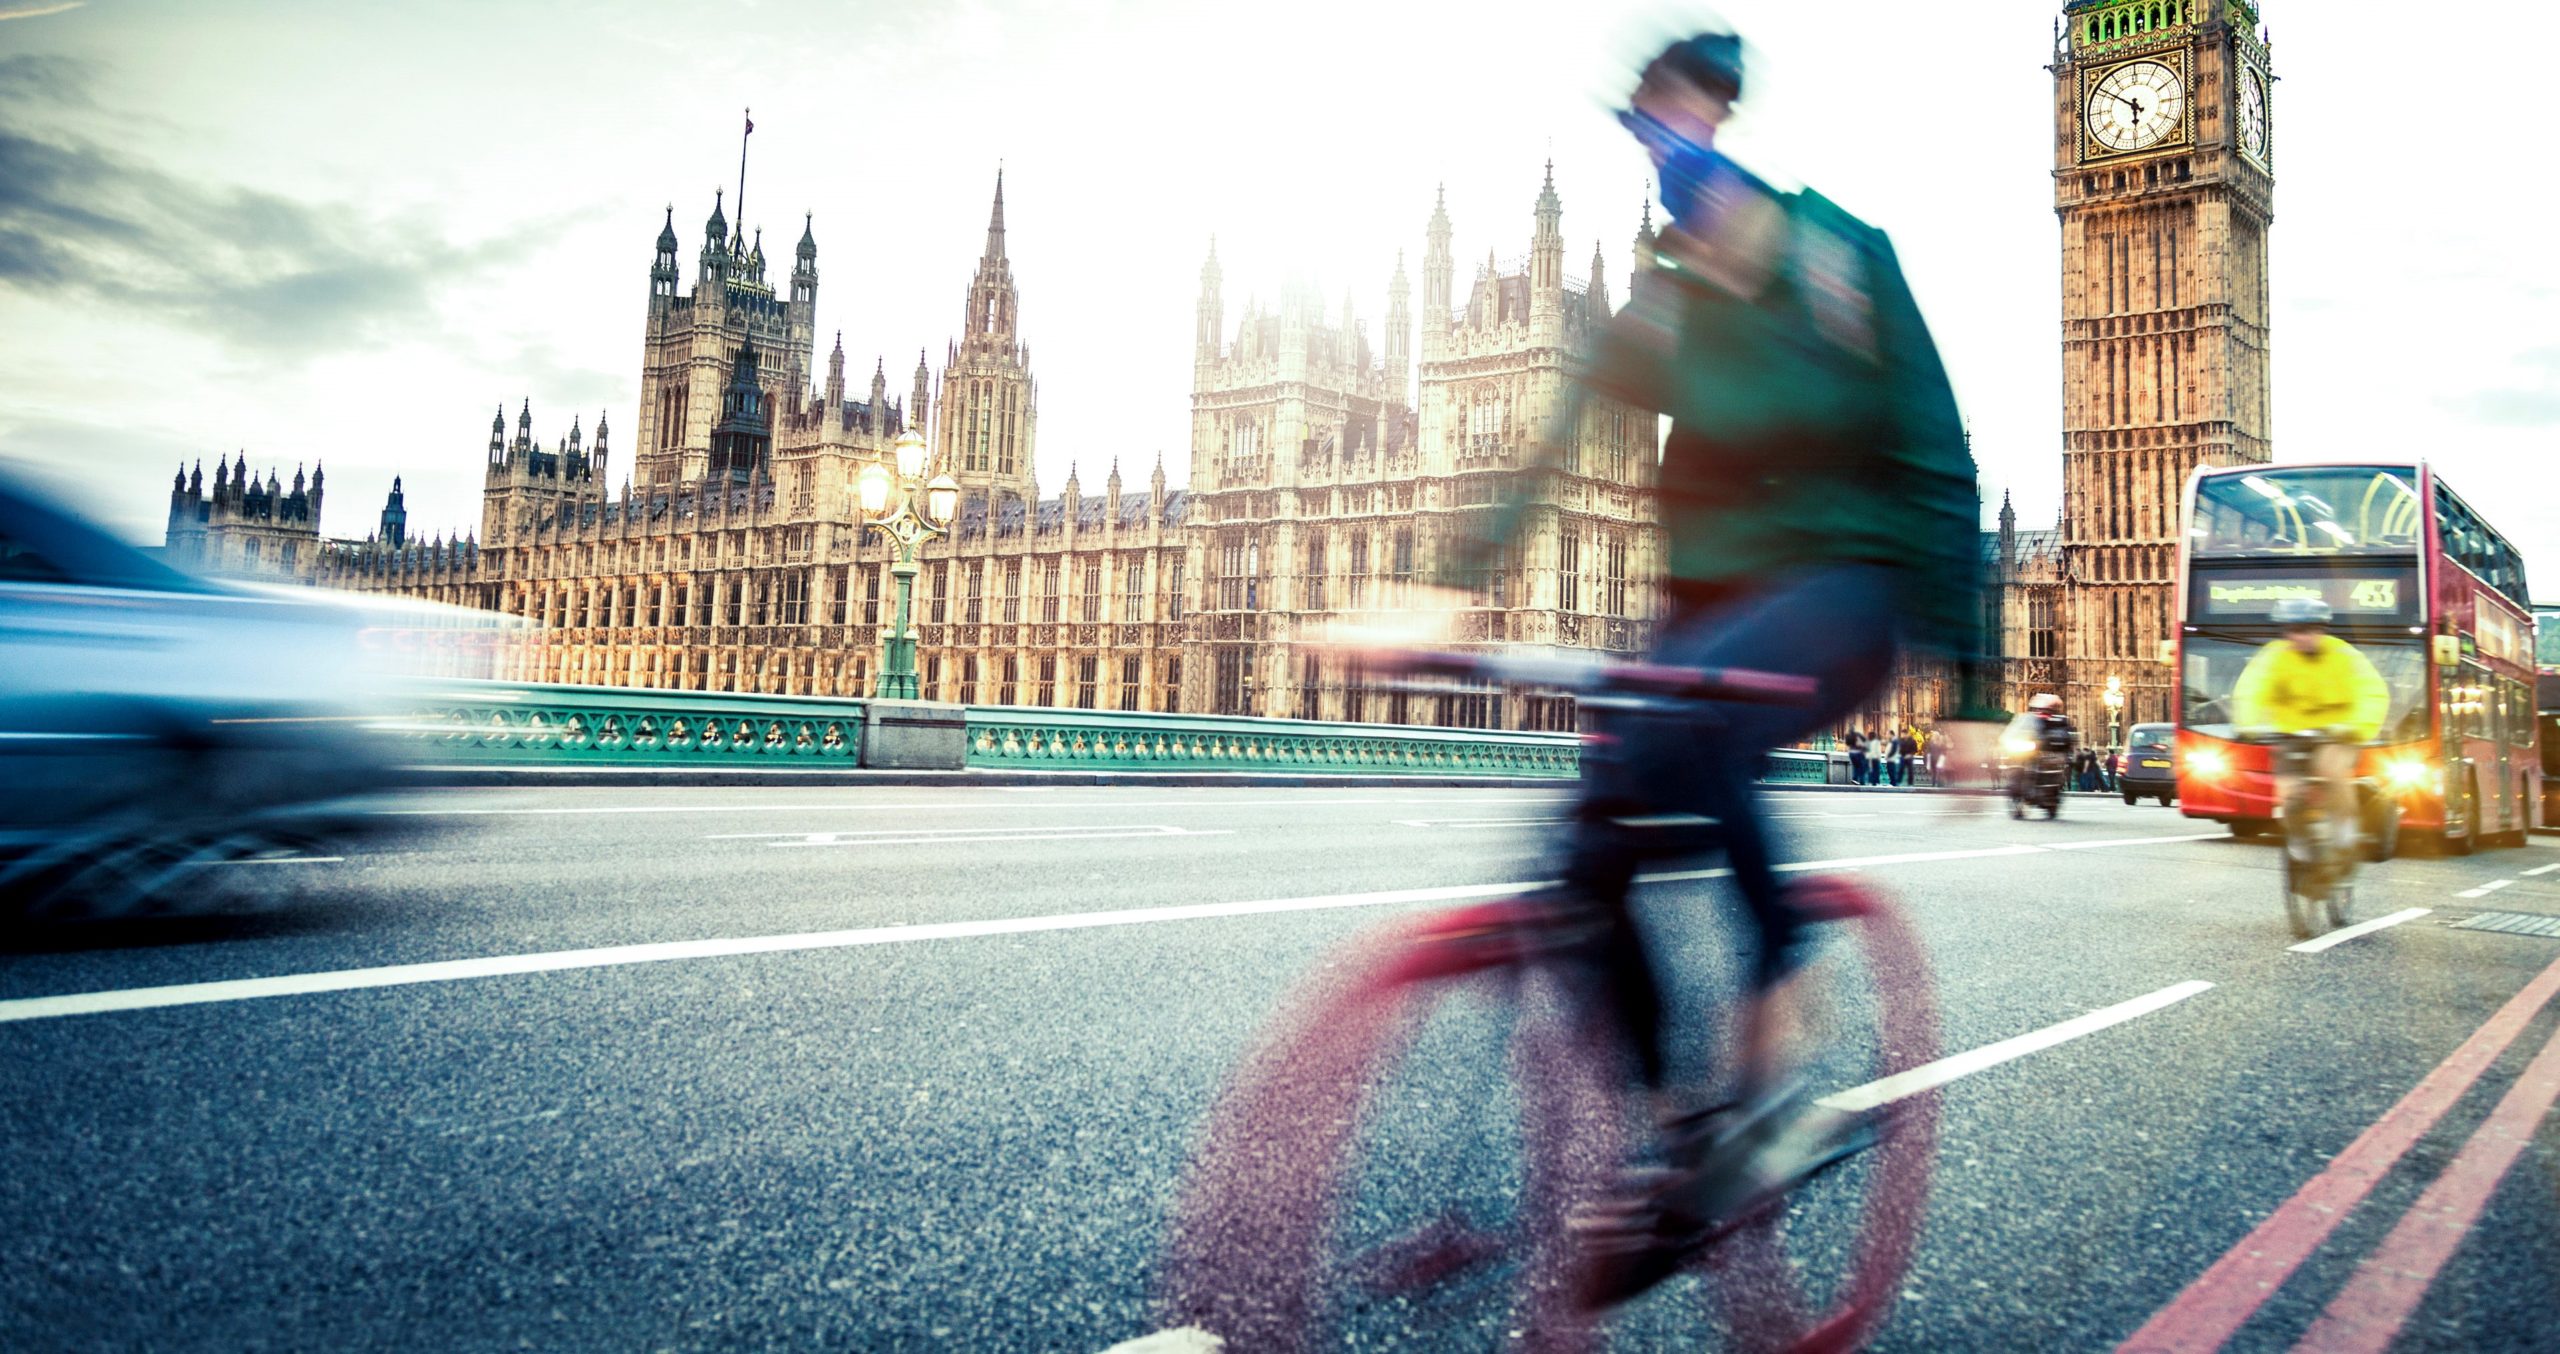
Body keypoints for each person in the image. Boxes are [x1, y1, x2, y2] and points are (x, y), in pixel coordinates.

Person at [1445, 28, 1990, 1307]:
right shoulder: (1665, 305)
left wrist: (1969, 697)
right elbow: (1556, 435)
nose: (1670, 161)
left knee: (1707, 712)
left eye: (1684, 133)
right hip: (1713, 606)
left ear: (1726, 136)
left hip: (1852, 589)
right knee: (1581, 847)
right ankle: (1674, 1140)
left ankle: (1783, 1063)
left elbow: (1940, 463)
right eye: (1647, 140)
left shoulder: (1841, 260)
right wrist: (1451, 575)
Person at [2230, 596, 2390, 849]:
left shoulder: (2343, 654)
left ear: (2320, 630)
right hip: (2291, 733)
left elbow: (2371, 692)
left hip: (2338, 732)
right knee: (2289, 792)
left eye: (2306, 630)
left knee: (2332, 770)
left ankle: (2345, 829)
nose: (2299, 637)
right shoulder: (2274, 656)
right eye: (2293, 631)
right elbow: (2251, 690)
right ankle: (2299, 841)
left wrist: (2358, 726)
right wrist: (2246, 724)